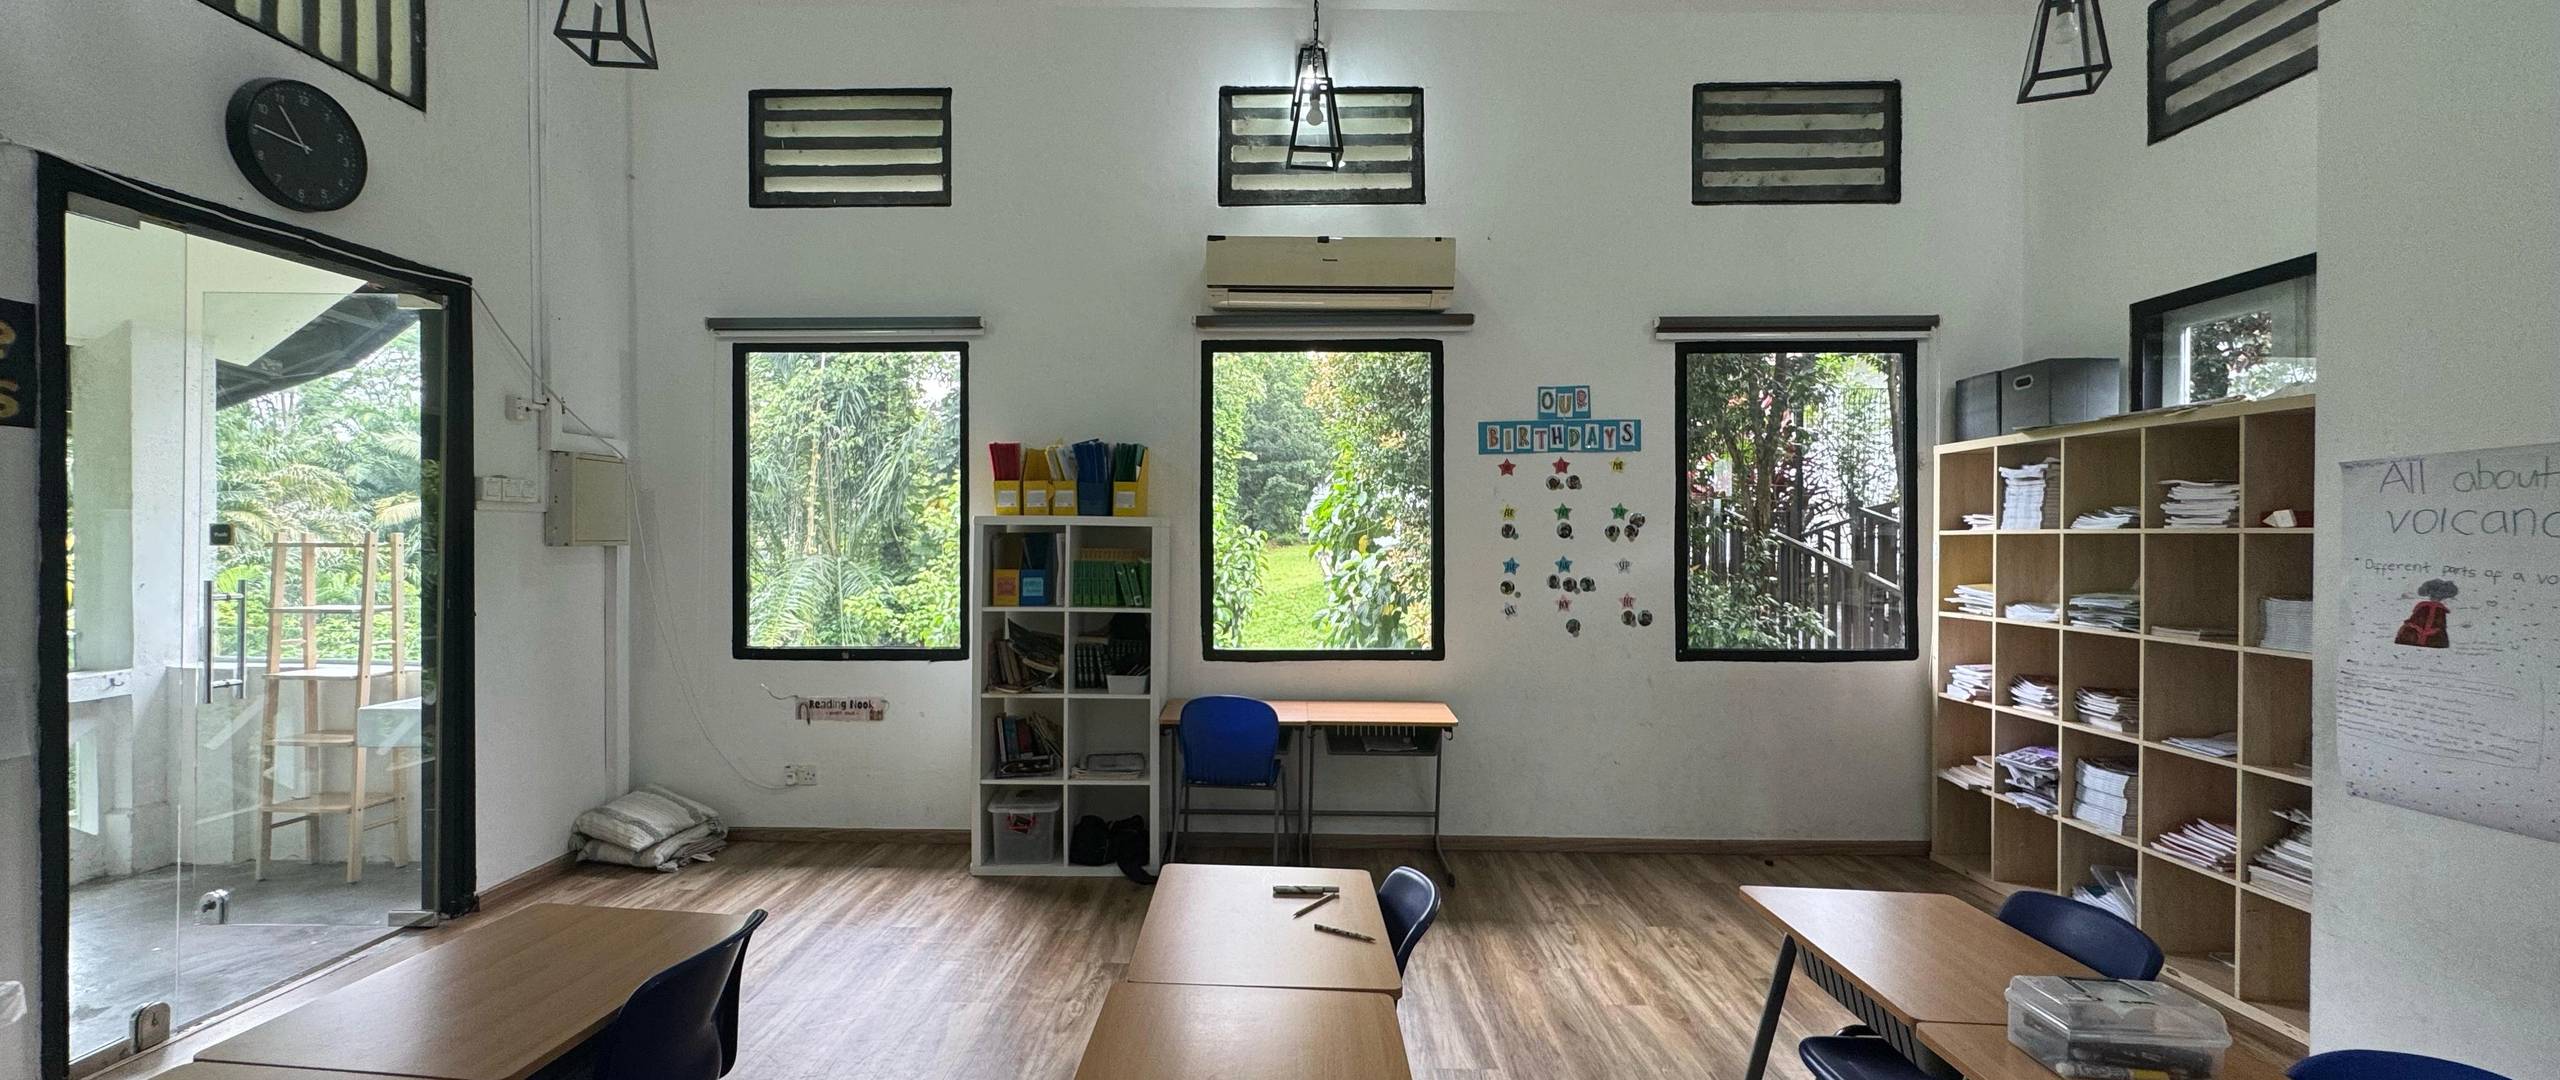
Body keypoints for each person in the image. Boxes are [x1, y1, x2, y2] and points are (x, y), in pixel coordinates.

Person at [2394, 579, 2457, 648]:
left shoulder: (2425, 606)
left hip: (2419, 638)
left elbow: (2414, 620)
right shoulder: (2438, 609)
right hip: (2428, 639)